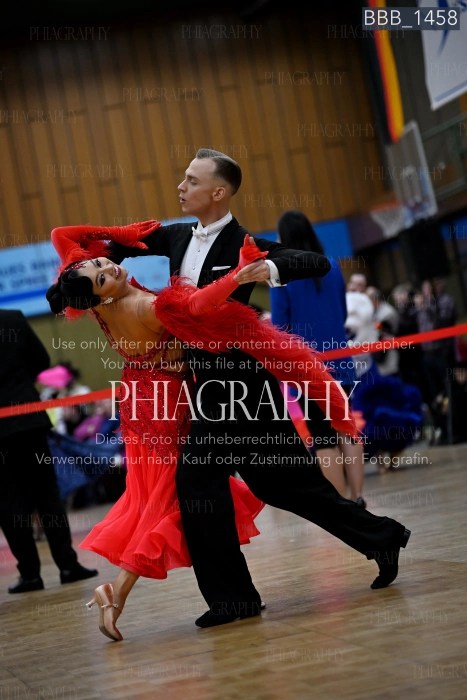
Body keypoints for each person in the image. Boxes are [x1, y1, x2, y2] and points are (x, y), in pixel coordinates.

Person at [104, 148, 411, 629]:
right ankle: (380, 538)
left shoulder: (244, 244)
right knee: (284, 486)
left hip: (243, 389)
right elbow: (112, 248)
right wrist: (80, 274)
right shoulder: (176, 237)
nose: (181, 186)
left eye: (192, 180)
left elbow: (315, 262)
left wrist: (265, 270)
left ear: (218, 192)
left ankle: (235, 599)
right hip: (211, 390)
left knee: (202, 482)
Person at [46, 224, 357, 640]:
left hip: (138, 401)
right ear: (98, 296)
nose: (108, 267)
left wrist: (119, 234)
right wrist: (238, 274)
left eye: (101, 263)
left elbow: (60, 235)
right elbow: (197, 305)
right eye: (101, 276)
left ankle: (226, 594)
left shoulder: (87, 295)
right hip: (167, 405)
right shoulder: (145, 306)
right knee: (168, 501)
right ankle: (117, 592)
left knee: (160, 498)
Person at [270, 210, 367, 506]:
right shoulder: (332, 266)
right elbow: (342, 311)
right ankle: (358, 497)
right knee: (346, 429)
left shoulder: (280, 275)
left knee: (322, 437)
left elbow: (280, 326)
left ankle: (342, 506)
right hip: (341, 361)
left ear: (285, 237)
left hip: (307, 367)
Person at [0, 309, 98, 594]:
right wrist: (18, 384)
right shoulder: (13, 318)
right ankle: (68, 565)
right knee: (47, 494)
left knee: (8, 503)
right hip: (28, 419)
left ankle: (30, 575)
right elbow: (41, 360)